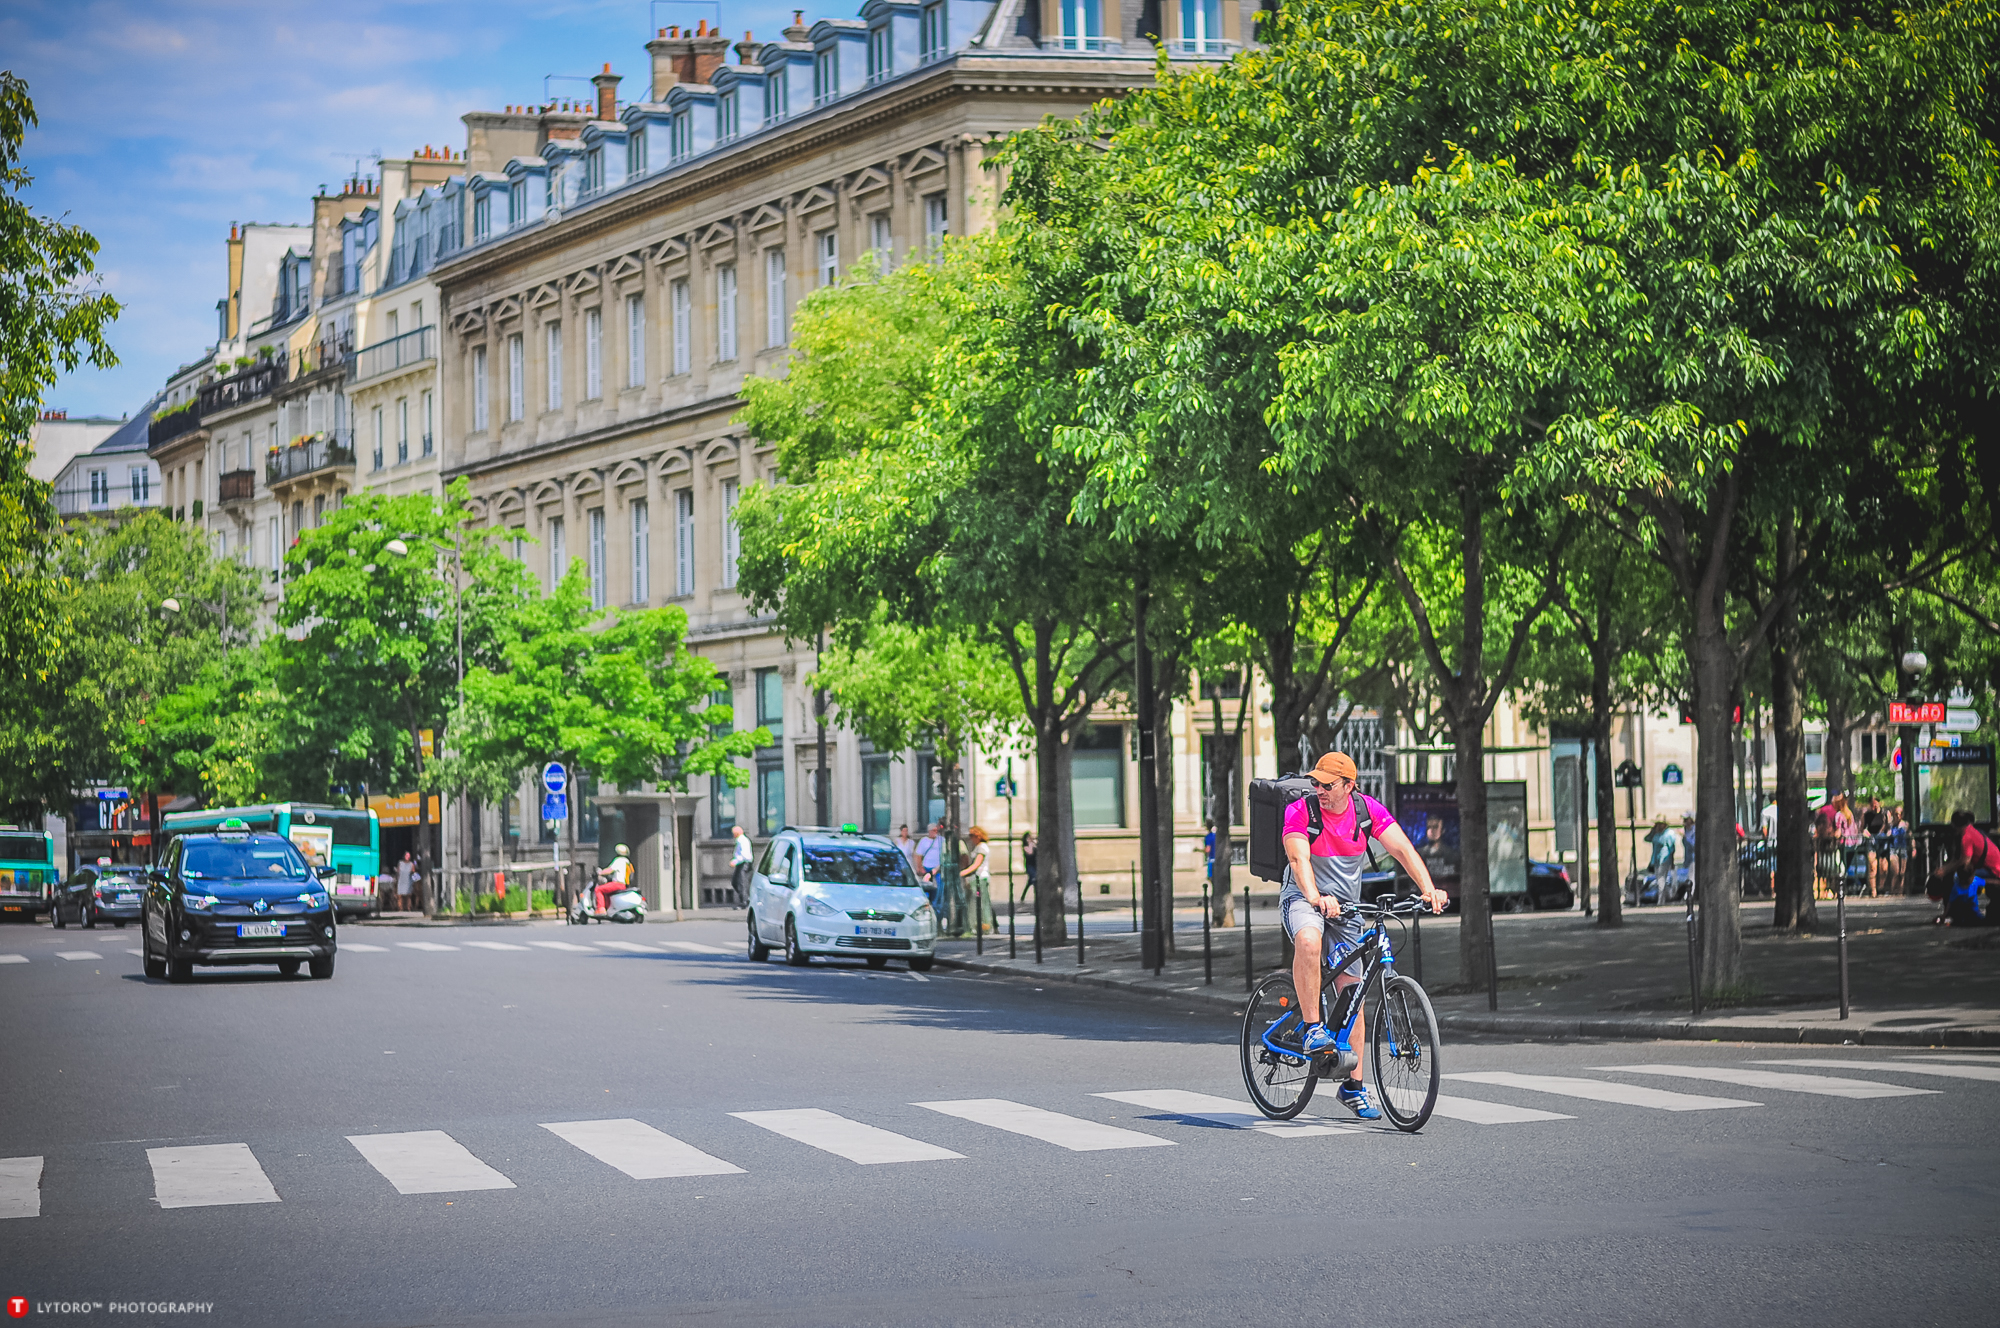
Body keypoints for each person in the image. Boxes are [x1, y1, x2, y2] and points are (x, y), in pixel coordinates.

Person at [1280, 751, 1445, 1121]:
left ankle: (1353, 1087)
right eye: (1316, 783)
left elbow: (1402, 848)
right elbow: (1298, 860)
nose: (1319, 789)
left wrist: (1429, 889)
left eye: (1328, 784)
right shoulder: (1301, 812)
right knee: (1309, 939)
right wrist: (1315, 897)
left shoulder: (1366, 811)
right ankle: (1310, 1029)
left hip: (1347, 908)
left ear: (1349, 786)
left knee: (1353, 993)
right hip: (1305, 897)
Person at [1929, 810, 2000, 926]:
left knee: (1960, 880)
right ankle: (1960, 911)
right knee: (1959, 877)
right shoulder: (1972, 831)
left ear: (1954, 825)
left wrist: (1945, 870)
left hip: (1993, 871)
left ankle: (1957, 912)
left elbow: (1965, 861)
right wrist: (1945, 868)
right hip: (1992, 868)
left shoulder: (1966, 836)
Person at [958, 826, 994, 933]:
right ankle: (979, 925)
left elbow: (976, 864)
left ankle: (985, 926)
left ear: (977, 836)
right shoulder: (978, 847)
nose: (970, 839)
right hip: (976, 878)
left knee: (981, 903)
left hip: (980, 878)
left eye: (972, 836)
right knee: (976, 902)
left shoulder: (982, 847)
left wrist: (963, 873)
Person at [595, 843, 634, 915]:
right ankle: (608, 908)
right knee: (606, 892)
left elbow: (610, 870)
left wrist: (600, 872)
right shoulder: (627, 861)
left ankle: (601, 909)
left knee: (598, 889)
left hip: (617, 884)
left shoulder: (618, 860)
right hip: (624, 884)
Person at [1860, 797, 1887, 896]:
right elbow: (1862, 829)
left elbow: (1887, 827)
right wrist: (1868, 835)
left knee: (1884, 867)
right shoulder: (1867, 815)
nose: (1874, 806)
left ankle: (1881, 887)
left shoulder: (1884, 815)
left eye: (1875, 804)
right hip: (1871, 840)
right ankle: (1873, 890)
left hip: (1882, 841)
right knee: (1873, 866)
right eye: (1872, 804)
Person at [729, 825, 753, 907]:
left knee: (741, 882)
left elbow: (743, 854)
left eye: (733, 833)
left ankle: (744, 901)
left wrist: (735, 861)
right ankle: (745, 898)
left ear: (736, 833)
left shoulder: (742, 841)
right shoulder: (741, 840)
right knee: (736, 882)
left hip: (743, 863)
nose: (733, 835)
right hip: (742, 863)